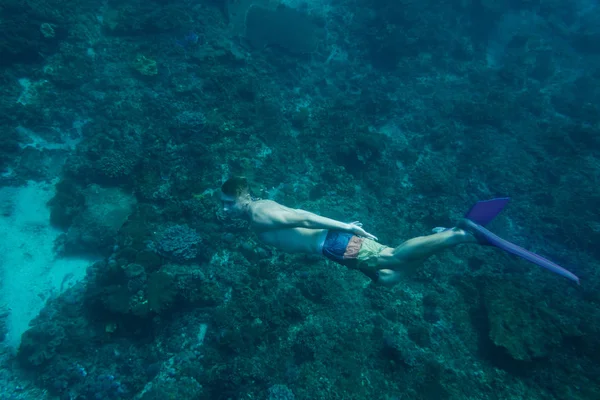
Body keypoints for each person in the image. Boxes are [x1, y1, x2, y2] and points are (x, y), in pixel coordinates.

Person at [219, 176, 480, 286]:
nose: (225, 209)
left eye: (229, 202)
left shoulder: (259, 214)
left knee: (392, 257)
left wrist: (347, 226)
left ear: (244, 196)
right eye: (223, 204)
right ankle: (443, 237)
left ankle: (457, 235)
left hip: (332, 242)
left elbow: (304, 218)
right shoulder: (258, 210)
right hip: (330, 248)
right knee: (387, 278)